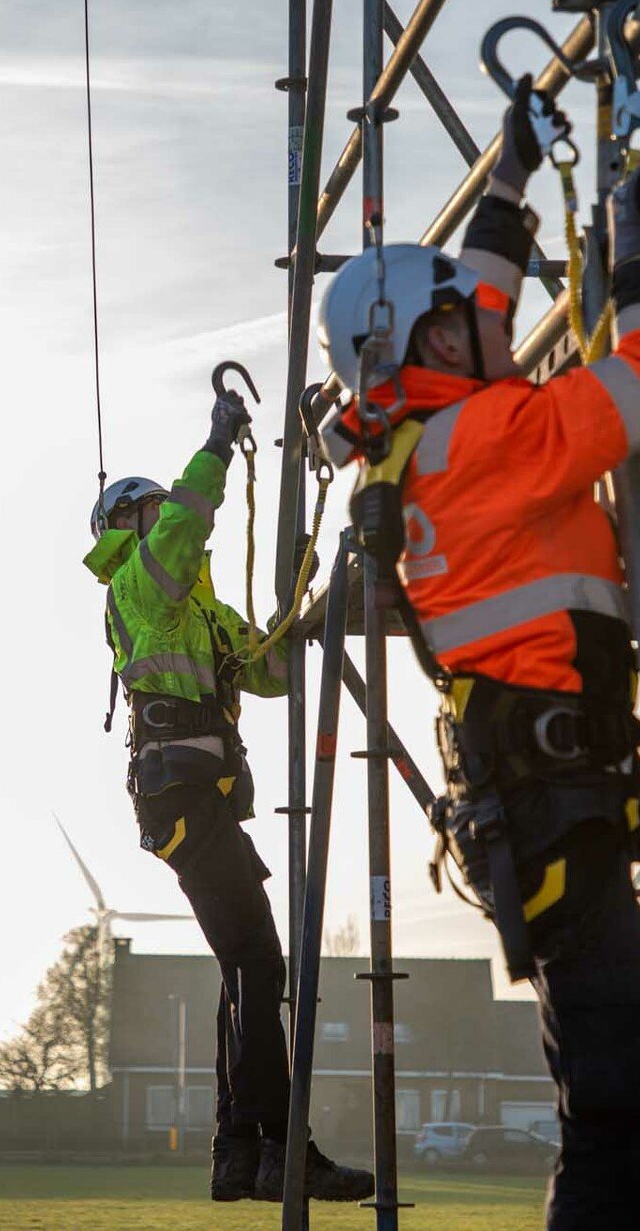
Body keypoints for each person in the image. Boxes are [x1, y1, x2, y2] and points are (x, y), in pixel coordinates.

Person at [313, 77, 640, 1230]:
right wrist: (636, 249)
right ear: (436, 339)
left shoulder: (415, 440)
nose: (506, 319)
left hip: (546, 809)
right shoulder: (488, 436)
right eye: (475, 317)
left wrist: (511, 182)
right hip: (552, 810)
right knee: (625, 1107)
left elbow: (468, 304)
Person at [84, 392, 373, 1204]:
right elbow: (183, 531)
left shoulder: (201, 613)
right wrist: (216, 442)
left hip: (199, 803)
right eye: (149, 509)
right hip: (180, 797)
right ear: (124, 529)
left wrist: (306, 617)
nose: (166, 516)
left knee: (244, 968)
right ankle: (280, 1148)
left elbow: (271, 672)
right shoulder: (138, 585)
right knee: (258, 962)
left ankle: (239, 1155)